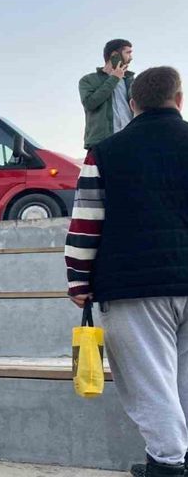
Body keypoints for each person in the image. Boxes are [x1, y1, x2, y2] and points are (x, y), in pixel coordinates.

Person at [65, 66, 188, 477]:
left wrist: (78, 278)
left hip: (134, 285)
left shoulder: (106, 150)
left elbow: (85, 221)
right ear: (180, 99)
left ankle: (168, 467)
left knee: (151, 385)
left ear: (133, 104)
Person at [79, 39, 135, 149]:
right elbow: (90, 103)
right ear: (114, 55)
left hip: (129, 143)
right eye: (128, 53)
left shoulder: (131, 81)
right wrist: (114, 78)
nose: (131, 58)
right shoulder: (88, 80)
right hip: (102, 144)